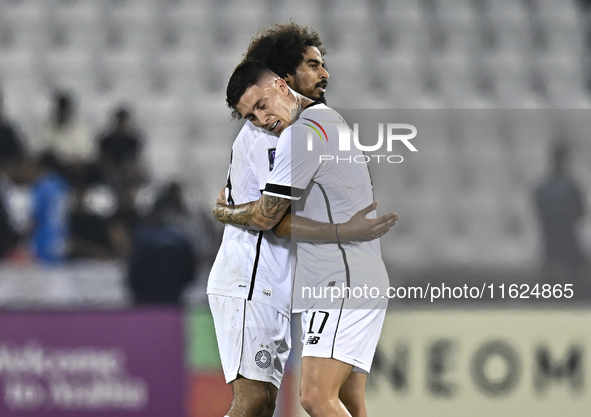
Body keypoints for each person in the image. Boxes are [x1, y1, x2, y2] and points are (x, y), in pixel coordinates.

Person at [208, 24, 397, 417]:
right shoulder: (267, 135)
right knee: (262, 401)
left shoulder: (306, 129)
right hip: (251, 280)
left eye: (321, 65)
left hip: (312, 280)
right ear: (284, 78)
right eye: (312, 65)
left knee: (290, 400)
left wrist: (223, 210)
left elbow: (272, 215)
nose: (323, 74)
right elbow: (268, 217)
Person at [534, 141, 587, 297]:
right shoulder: (570, 187)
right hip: (565, 240)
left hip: (551, 242)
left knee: (552, 274)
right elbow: (581, 213)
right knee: (577, 271)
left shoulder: (543, 187)